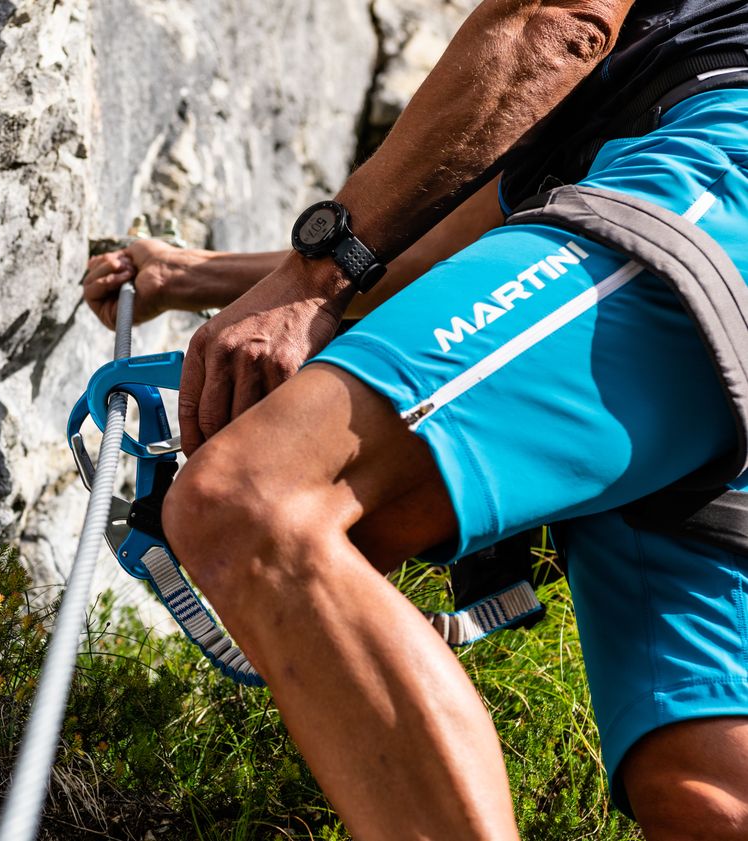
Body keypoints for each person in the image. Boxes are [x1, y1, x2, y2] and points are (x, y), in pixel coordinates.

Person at [82, 1, 748, 838]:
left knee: (255, 498)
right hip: (698, 266)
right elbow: (449, 246)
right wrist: (196, 273)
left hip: (707, 194)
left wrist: (309, 278)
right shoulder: (581, 120)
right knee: (709, 790)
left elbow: (549, 22)